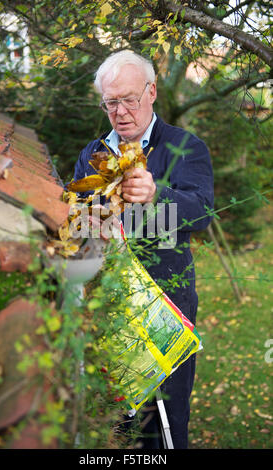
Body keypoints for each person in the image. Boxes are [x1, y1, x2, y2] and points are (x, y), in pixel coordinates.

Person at [73, 50, 214, 449]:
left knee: (164, 423)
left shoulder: (186, 147)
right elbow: (77, 217)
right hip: (110, 309)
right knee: (116, 427)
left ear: (151, 93)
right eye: (111, 102)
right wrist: (87, 219)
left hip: (166, 311)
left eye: (129, 99)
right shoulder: (92, 153)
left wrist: (157, 194)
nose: (120, 111)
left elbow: (202, 212)